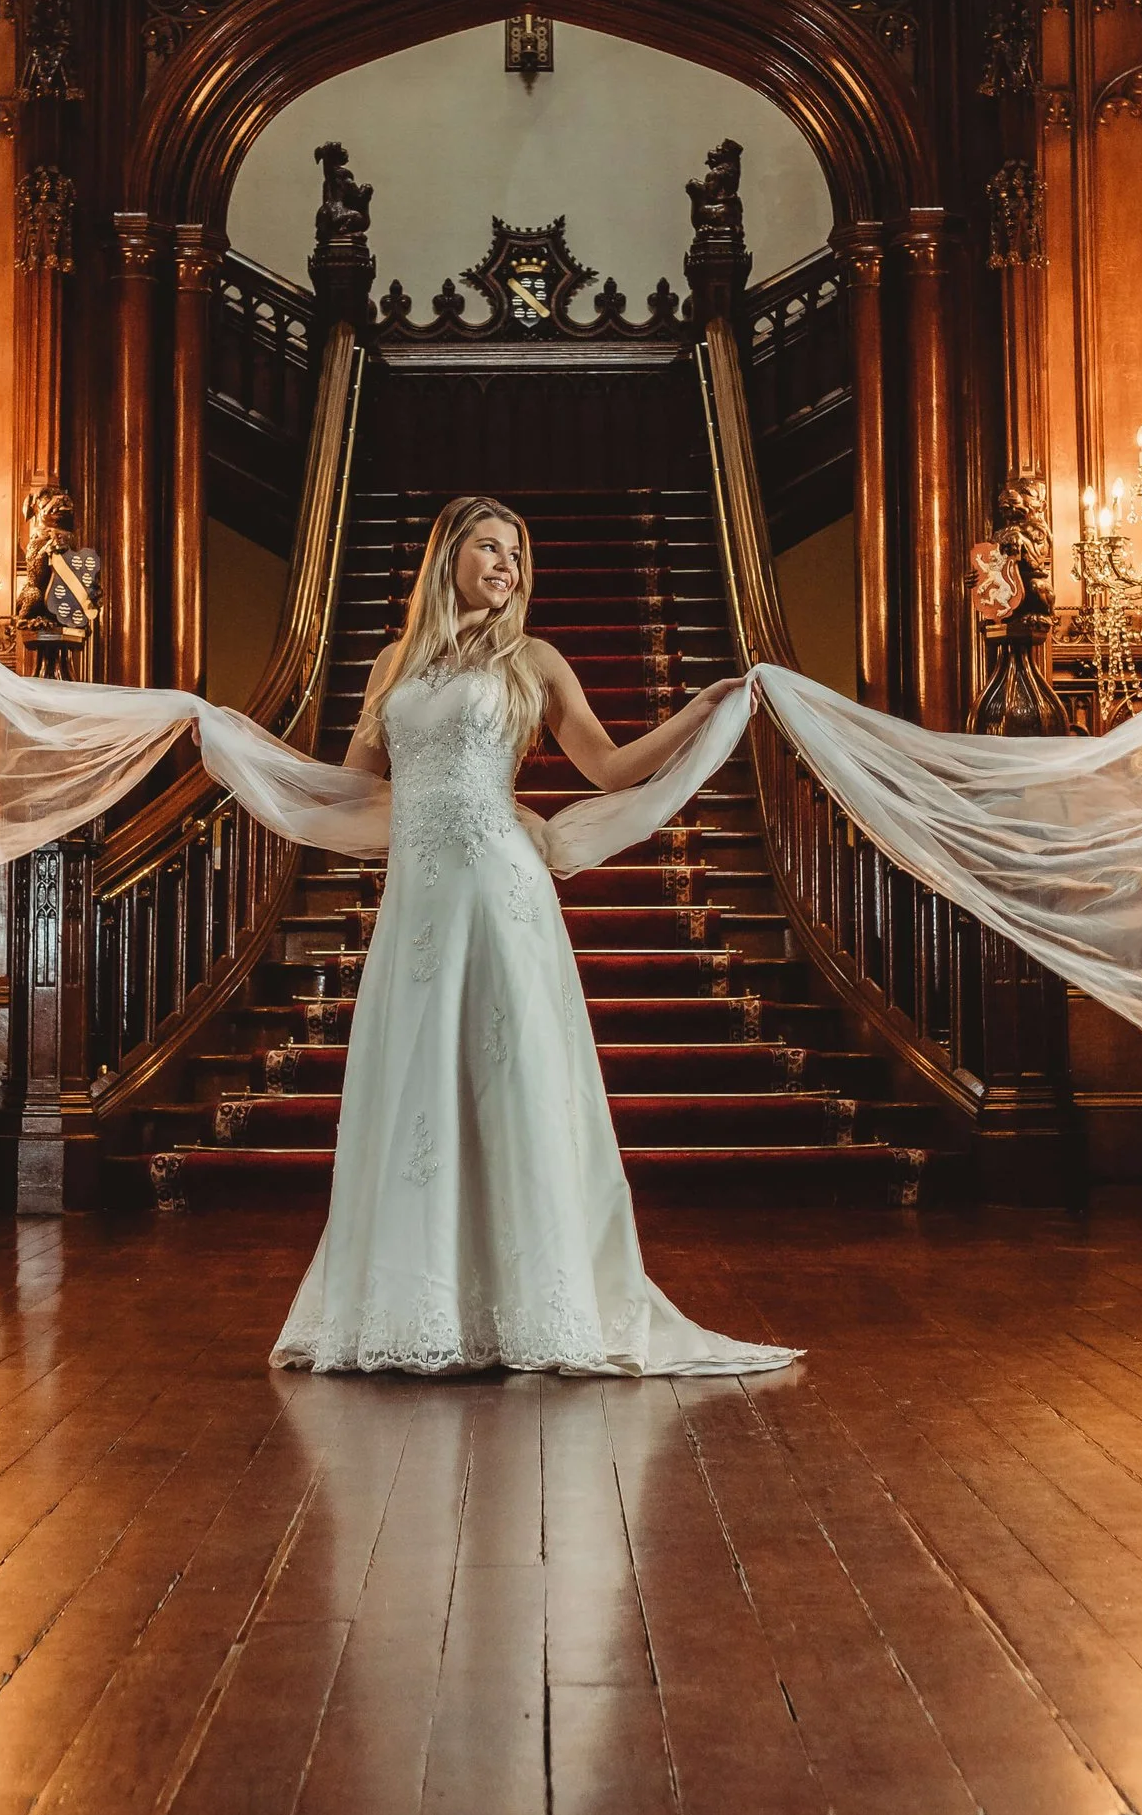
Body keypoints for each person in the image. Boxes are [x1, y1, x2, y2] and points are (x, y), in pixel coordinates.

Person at [267, 495, 800, 1377]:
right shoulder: (393, 662)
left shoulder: (534, 659)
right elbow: (355, 790)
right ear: (449, 557)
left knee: (512, 1078)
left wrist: (700, 712)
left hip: (504, 893)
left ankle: (536, 1309)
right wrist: (252, 756)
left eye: (516, 549)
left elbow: (609, 766)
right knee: (418, 1083)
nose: (507, 562)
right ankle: (417, 1305)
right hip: (422, 907)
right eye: (488, 545)